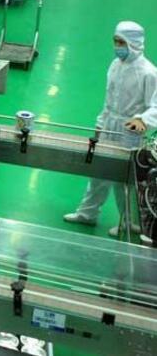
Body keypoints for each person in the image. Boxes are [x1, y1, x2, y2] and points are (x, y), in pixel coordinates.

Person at [64, 22, 157, 237]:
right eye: (115, 41)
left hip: (130, 131)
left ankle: (128, 223)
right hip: (110, 126)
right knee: (99, 171)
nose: (117, 47)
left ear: (134, 43)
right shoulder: (115, 65)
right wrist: (100, 124)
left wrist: (143, 119)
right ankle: (87, 214)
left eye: (121, 42)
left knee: (123, 179)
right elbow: (109, 100)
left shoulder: (148, 72)